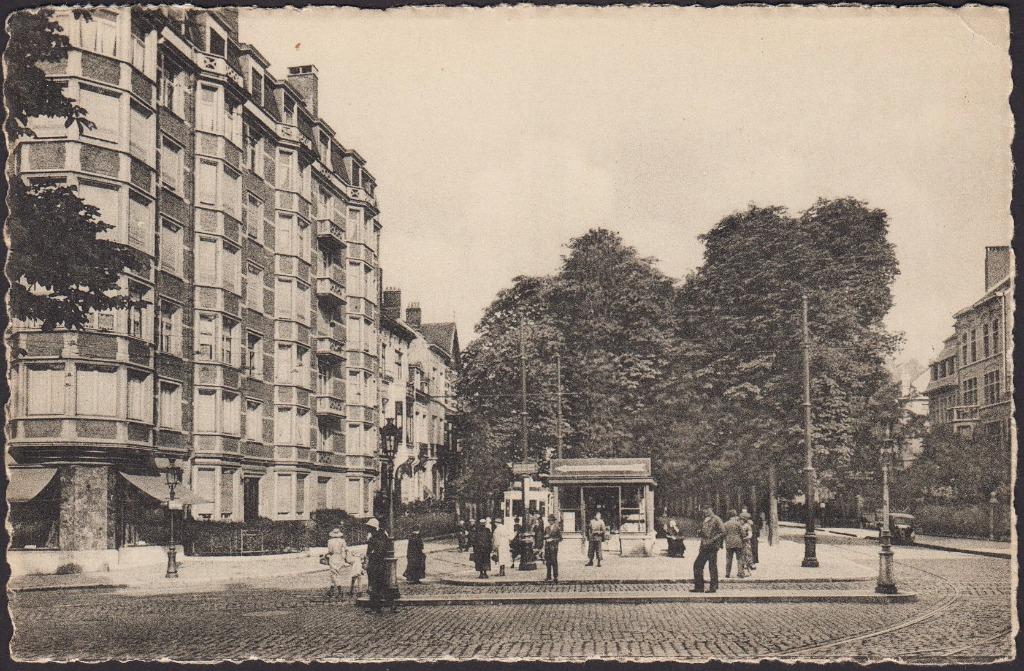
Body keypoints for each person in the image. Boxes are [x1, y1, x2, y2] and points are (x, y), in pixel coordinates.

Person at [365, 518, 397, 613]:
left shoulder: (378, 536)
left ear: (373, 528)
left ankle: (376, 608)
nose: (368, 529)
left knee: (376, 585)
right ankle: (388, 605)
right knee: (380, 585)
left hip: (377, 563)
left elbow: (378, 550)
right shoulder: (380, 535)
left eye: (369, 527)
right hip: (377, 563)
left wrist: (371, 554)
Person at [692, 505, 725, 593]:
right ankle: (699, 587)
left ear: (711, 509)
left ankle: (713, 587)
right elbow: (704, 533)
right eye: (704, 510)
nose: (705, 511)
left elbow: (723, 532)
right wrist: (700, 533)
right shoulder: (705, 519)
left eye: (707, 509)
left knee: (712, 566)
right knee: (698, 565)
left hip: (712, 547)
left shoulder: (716, 519)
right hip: (704, 546)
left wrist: (712, 540)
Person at [325, 527, 354, 599]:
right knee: (335, 574)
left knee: (334, 574)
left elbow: (330, 551)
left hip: (333, 557)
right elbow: (345, 549)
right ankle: (331, 590)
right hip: (340, 557)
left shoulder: (330, 541)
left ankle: (339, 591)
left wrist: (326, 555)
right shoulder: (342, 541)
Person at [723, 510, 744, 578]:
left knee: (729, 559)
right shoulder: (738, 523)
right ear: (735, 515)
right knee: (739, 558)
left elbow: (723, 534)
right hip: (738, 542)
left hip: (729, 543)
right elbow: (743, 533)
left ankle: (727, 573)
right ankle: (740, 573)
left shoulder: (725, 524)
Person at [543, 514, 562, 582]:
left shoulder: (557, 528)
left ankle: (555, 577)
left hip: (554, 547)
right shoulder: (546, 528)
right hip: (547, 547)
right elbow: (544, 536)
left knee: (554, 562)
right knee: (548, 562)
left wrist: (553, 539)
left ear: (554, 521)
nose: (550, 522)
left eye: (551, 520)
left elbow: (560, 538)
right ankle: (548, 576)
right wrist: (545, 537)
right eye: (549, 520)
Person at [738, 512, 753, 578]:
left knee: (747, 557)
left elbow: (750, 535)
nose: (740, 521)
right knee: (741, 558)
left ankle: (748, 572)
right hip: (740, 543)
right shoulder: (739, 525)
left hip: (746, 544)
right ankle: (741, 572)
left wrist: (745, 538)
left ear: (744, 520)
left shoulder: (747, 526)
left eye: (741, 520)